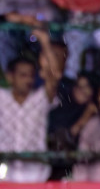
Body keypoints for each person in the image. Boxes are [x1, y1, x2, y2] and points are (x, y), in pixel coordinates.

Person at [0, 52, 59, 182]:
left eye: (31, 76)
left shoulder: (40, 99)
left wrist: (44, 41)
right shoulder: (1, 98)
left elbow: (55, 76)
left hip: (36, 174)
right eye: (23, 75)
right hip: (4, 174)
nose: (28, 80)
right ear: (10, 77)